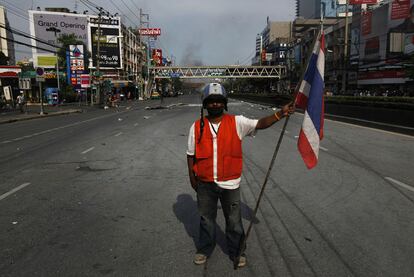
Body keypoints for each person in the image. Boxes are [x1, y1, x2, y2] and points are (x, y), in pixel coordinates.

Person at [186, 83, 294, 268]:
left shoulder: (237, 122)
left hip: (230, 183)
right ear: (205, 104)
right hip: (205, 183)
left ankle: (238, 251)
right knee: (206, 220)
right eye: (211, 102)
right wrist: (192, 177)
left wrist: (280, 113)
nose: (215, 105)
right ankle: (204, 249)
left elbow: (260, 123)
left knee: (234, 222)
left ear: (225, 103)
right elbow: (191, 155)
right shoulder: (196, 127)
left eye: (218, 101)